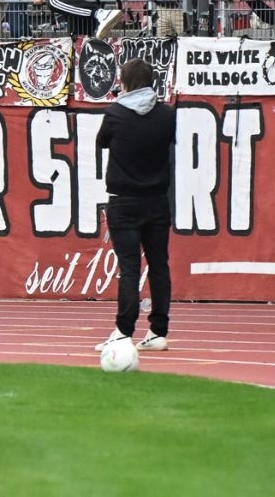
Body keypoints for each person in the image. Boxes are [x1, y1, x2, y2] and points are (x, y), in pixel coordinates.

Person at [95, 56, 172, 356]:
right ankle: (158, 331)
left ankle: (123, 331)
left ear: (125, 82)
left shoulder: (115, 113)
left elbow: (102, 141)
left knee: (129, 268)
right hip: (158, 200)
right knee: (159, 265)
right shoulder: (166, 114)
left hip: (124, 201)